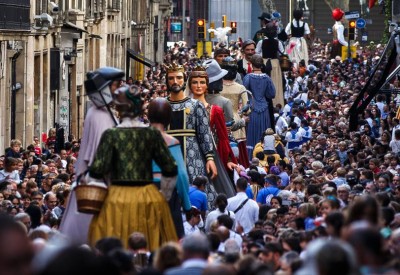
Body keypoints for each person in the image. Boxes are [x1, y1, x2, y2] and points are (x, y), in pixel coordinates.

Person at [88, 84, 178, 250]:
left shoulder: (112, 135)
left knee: (114, 242)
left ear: (121, 110)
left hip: (117, 198)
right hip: (148, 197)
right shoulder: (151, 134)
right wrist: (163, 196)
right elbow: (171, 168)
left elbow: (97, 170)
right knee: (152, 243)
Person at [59, 66, 125, 245]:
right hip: (97, 186)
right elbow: (100, 157)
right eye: (116, 86)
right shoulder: (98, 115)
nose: (119, 90)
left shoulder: (102, 113)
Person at [188, 61, 237, 201]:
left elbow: (223, 137)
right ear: (190, 85)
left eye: (202, 82)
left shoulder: (216, 110)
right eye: (195, 82)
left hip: (212, 154)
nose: (198, 86)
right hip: (190, 151)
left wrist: (227, 159)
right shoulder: (185, 108)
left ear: (207, 85)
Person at [165, 63, 217, 184]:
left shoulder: (196, 105)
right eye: (171, 78)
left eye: (179, 78)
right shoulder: (161, 105)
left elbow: (204, 133)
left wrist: (209, 158)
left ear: (184, 80)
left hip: (192, 157)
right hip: (167, 156)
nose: (175, 81)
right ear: (167, 81)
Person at [149, 97, 192, 239]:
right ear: (168, 118)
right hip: (166, 195)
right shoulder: (171, 142)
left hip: (142, 193)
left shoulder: (137, 139)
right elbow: (180, 175)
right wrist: (187, 205)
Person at [243, 54, 276, 157]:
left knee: (251, 132)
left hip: (252, 108)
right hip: (264, 109)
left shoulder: (248, 77)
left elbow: (244, 92)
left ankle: (250, 156)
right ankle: (265, 155)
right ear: (262, 65)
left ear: (252, 65)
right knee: (264, 131)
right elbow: (272, 94)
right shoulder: (267, 78)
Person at [221, 56, 251, 168]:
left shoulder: (216, 86)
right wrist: (242, 115)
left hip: (219, 119)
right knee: (239, 154)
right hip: (236, 120)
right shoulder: (240, 87)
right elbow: (247, 108)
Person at [256, 22, 284, 107]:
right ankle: (275, 103)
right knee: (275, 83)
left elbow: (257, 53)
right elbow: (283, 52)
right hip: (274, 64)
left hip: (264, 63)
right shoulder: (278, 42)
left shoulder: (261, 42)